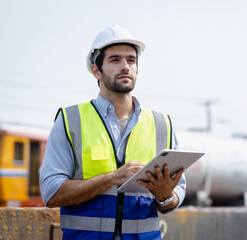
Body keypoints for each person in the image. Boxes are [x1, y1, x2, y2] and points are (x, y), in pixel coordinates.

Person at [39, 25, 186, 240]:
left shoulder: (161, 124)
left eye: (131, 60)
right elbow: (51, 193)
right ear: (96, 70)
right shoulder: (70, 120)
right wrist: (111, 178)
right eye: (115, 60)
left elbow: (176, 194)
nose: (125, 66)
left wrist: (165, 197)